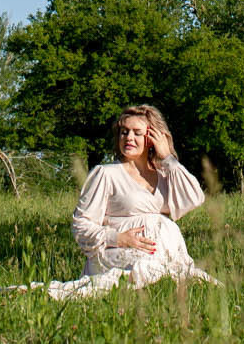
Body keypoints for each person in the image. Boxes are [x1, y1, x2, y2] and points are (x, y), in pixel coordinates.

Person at [33, 104, 219, 301]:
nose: (129, 138)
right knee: (147, 271)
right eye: (124, 132)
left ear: (152, 138)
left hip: (166, 256)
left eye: (137, 133)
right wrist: (117, 238)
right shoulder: (106, 173)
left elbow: (195, 197)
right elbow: (81, 225)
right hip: (117, 253)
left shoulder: (165, 173)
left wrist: (168, 158)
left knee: (198, 284)